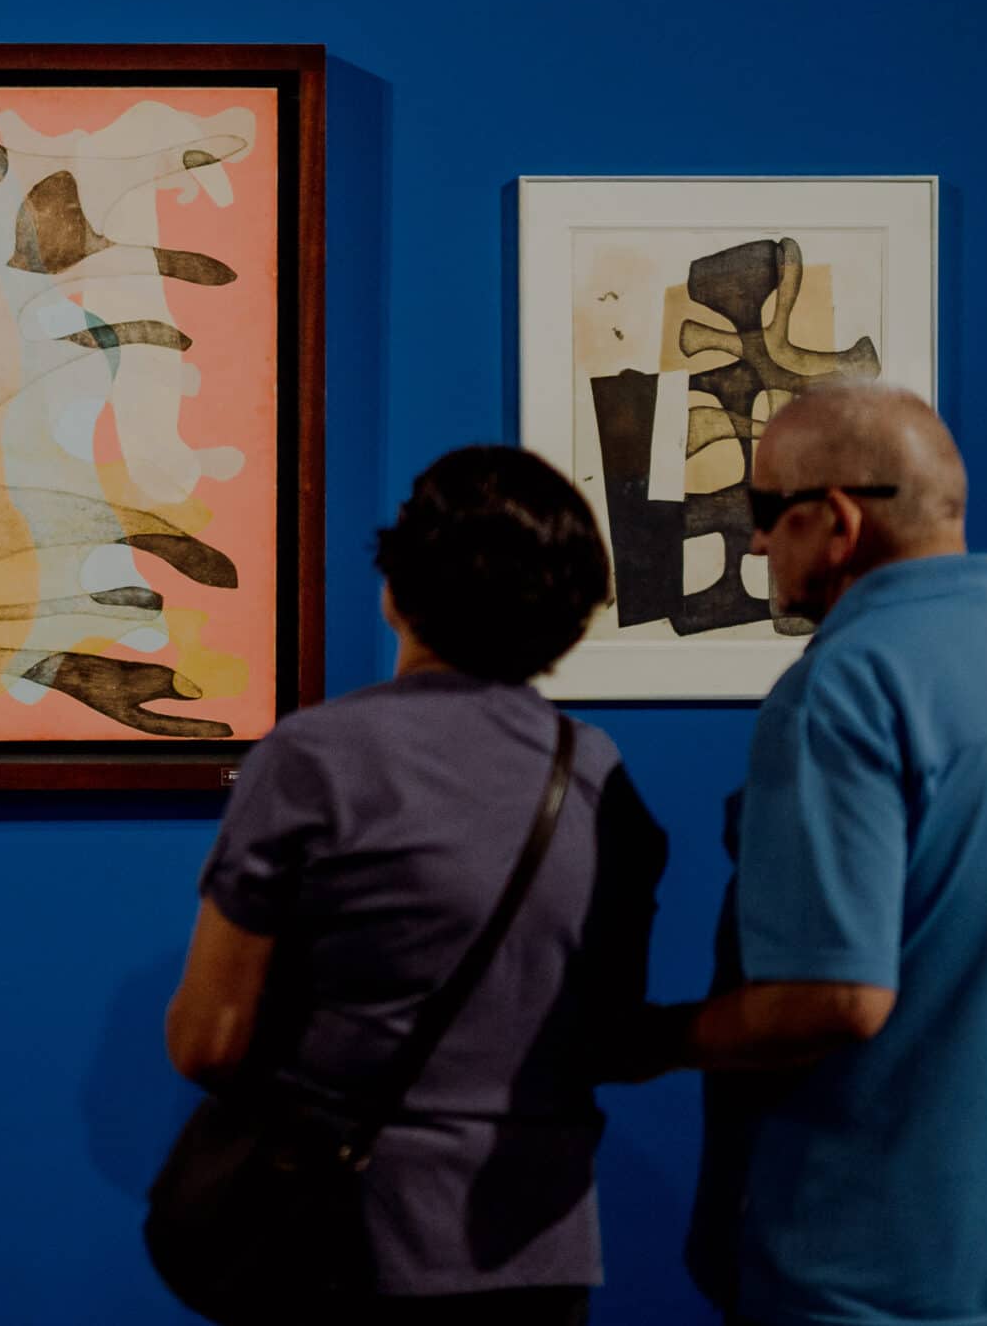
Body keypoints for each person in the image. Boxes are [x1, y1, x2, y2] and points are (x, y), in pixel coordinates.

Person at [652, 382, 987, 1326]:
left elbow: (835, 999)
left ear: (836, 520)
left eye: (764, 514)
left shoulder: (838, 689)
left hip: (848, 1277)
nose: (756, 544)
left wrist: (650, 1038)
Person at [164, 445, 666, 1326]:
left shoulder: (314, 757)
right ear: (568, 614)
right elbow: (612, 1033)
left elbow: (207, 1040)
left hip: (349, 1246)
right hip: (537, 1250)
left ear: (397, 588)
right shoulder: (595, 772)